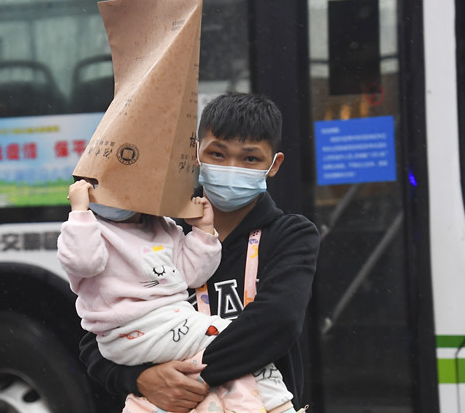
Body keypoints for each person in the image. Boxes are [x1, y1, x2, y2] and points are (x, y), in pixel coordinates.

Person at [79, 92, 321, 412]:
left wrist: (193, 378)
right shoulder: (157, 230)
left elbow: (277, 323)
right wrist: (142, 379)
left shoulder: (290, 235)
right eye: (218, 154)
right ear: (196, 153)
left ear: (273, 165)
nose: (232, 168)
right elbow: (96, 334)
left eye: (250, 159)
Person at [58, 167, 298, 410]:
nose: (120, 191)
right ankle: (281, 407)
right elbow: (84, 262)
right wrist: (80, 213)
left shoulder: (163, 225)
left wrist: (204, 232)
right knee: (240, 341)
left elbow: (192, 274)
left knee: (200, 379)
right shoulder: (87, 231)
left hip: (169, 324)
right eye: (98, 184)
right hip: (137, 330)